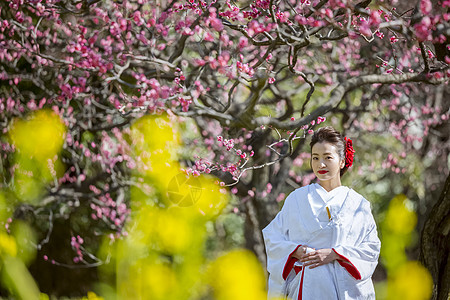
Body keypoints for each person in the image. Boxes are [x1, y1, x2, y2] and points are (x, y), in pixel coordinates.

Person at [262, 126, 381, 300]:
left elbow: (370, 248)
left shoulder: (358, 204)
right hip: (306, 286)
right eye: (315, 158)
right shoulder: (296, 199)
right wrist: (295, 250)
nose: (321, 164)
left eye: (328, 157)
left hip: (342, 288)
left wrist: (335, 254)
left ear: (342, 161)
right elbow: (273, 237)